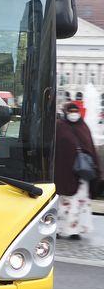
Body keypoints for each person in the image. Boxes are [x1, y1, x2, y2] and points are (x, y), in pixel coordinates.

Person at [55, 101, 100, 239]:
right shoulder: (60, 126)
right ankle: (60, 229)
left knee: (79, 202)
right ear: (66, 112)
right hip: (65, 173)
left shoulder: (83, 126)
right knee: (65, 202)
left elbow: (90, 147)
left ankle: (76, 230)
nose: (73, 114)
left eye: (76, 111)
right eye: (71, 111)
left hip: (81, 174)